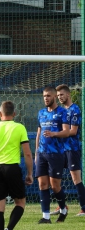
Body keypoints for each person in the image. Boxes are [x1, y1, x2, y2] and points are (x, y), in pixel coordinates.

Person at [0, 101, 33, 230]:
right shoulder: (19, 127)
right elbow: (27, 154)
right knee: (20, 202)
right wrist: (30, 173)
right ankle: (9, 228)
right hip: (12, 168)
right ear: (14, 113)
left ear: (0, 114)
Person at [35, 86, 69, 224]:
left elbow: (66, 132)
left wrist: (54, 133)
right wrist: (36, 152)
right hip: (42, 153)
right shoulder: (41, 113)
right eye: (44, 96)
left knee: (55, 186)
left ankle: (63, 209)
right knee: (42, 184)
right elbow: (38, 133)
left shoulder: (62, 112)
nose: (46, 98)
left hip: (56, 154)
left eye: (48, 96)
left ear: (55, 97)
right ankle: (46, 217)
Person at [51, 84, 85, 216]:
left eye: (61, 95)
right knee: (55, 178)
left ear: (68, 94)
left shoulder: (74, 110)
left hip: (72, 149)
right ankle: (62, 206)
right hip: (60, 149)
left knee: (76, 179)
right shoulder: (60, 111)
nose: (59, 97)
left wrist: (56, 133)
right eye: (58, 95)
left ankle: (83, 208)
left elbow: (73, 131)